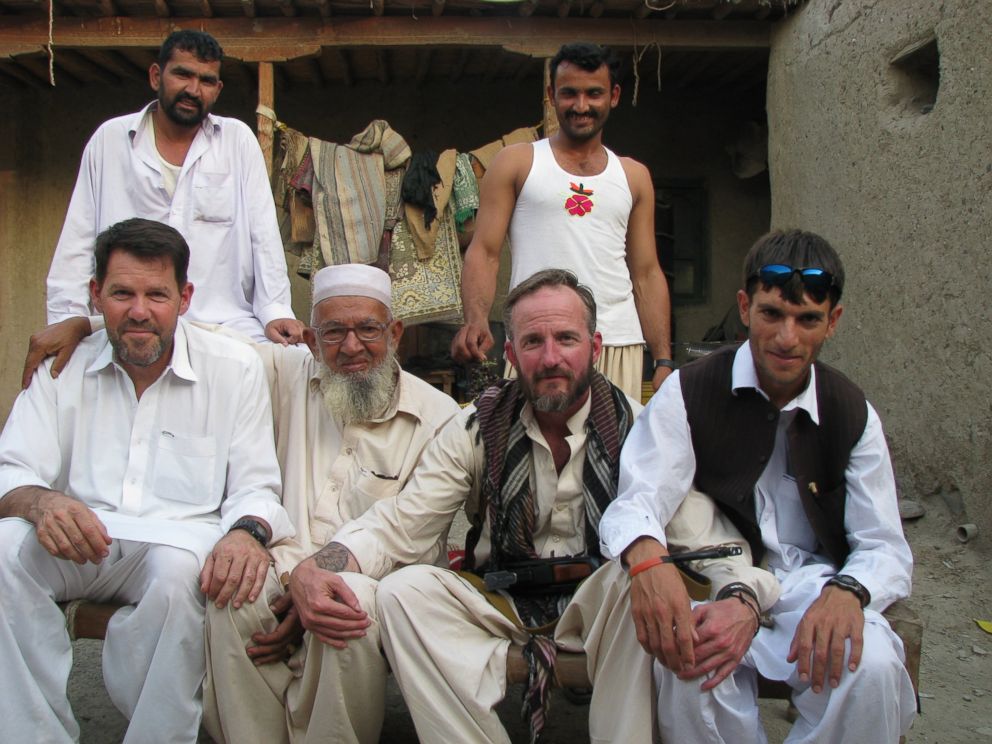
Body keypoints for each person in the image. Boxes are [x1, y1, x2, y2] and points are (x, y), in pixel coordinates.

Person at [305, 269, 777, 743]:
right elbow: (403, 523)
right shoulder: (476, 425)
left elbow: (714, 545)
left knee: (642, 574)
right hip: (500, 600)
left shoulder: (640, 427)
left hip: (601, 606)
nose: (551, 358)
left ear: (594, 347)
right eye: (533, 342)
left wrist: (743, 601)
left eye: (566, 339)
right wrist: (319, 569)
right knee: (402, 592)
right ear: (511, 354)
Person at [599, 229, 916, 743]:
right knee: (690, 661)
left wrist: (849, 591)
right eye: (772, 314)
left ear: (832, 322)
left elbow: (882, 544)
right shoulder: (691, 389)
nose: (787, 338)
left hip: (815, 590)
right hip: (718, 580)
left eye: (808, 319)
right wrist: (646, 557)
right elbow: (639, 497)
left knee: (872, 664)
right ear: (745, 308)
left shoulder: (850, 411)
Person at [0, 218, 294, 743]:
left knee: (185, 572)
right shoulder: (61, 366)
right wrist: (42, 502)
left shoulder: (233, 368)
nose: (139, 311)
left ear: (184, 298)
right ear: (96, 295)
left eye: (156, 294)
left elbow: (255, 485)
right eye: (121, 293)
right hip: (77, 540)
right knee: (3, 549)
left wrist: (245, 532)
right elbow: (11, 471)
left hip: (172, 547)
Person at [201, 264, 461, 744]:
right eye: (334, 332)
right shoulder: (281, 373)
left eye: (368, 329)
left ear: (395, 332)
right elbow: (201, 342)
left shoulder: (440, 418)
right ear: (309, 339)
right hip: (279, 567)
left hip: (373, 583)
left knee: (348, 604)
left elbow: (405, 533)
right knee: (231, 586)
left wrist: (314, 576)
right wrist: (86, 324)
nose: (351, 347)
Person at [42, 29, 303, 351]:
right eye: (182, 74)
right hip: (127, 323)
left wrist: (275, 310)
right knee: (58, 369)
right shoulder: (110, 140)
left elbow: (263, 236)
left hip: (221, 323)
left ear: (218, 89)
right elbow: (78, 242)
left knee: (292, 360)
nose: (193, 89)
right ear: (156, 76)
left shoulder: (237, 141)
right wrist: (66, 319)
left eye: (206, 81)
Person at [451, 42, 672, 399]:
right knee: (531, 449)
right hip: (537, 340)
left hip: (616, 341)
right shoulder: (516, 162)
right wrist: (475, 320)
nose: (581, 106)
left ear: (613, 96)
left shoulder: (633, 176)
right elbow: (485, 251)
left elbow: (646, 272)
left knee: (612, 451)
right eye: (569, 93)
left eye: (594, 93)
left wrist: (663, 359)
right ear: (552, 95)